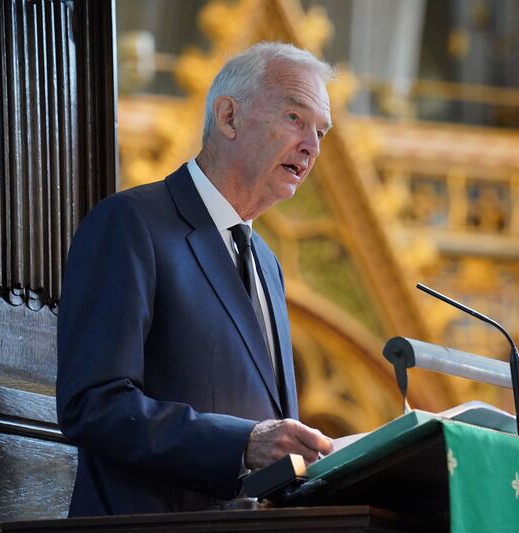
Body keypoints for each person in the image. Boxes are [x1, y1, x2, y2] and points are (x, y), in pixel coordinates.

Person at [56, 42, 334, 517]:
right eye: (295, 118)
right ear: (228, 117)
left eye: (321, 132)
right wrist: (242, 443)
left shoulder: (267, 263)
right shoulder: (131, 223)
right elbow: (93, 403)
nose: (312, 146)